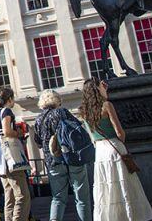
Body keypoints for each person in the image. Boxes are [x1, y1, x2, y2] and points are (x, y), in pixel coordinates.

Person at [80, 79, 152, 221]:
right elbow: (120, 133)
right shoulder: (107, 105)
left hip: (100, 152)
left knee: (107, 187)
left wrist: (104, 91)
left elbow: (92, 138)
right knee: (124, 184)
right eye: (101, 86)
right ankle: (129, 216)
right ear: (97, 89)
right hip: (115, 147)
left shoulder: (83, 112)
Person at [33, 89, 91, 221]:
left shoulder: (38, 120)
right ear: (57, 100)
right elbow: (77, 128)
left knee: (58, 198)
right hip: (73, 157)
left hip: (53, 161)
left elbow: (38, 143)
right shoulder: (62, 112)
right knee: (81, 197)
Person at [0, 87, 30, 221]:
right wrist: (19, 133)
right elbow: (7, 132)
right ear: (10, 99)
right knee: (22, 195)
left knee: (9, 195)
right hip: (10, 158)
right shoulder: (6, 111)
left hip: (0, 160)